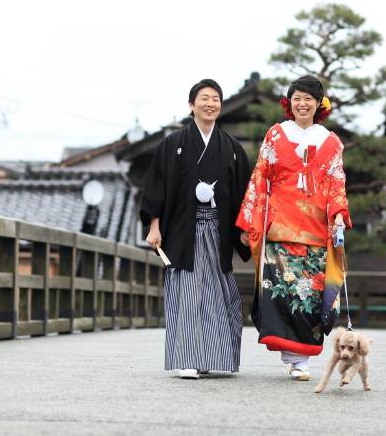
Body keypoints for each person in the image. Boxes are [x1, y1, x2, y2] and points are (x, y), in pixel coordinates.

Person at [236, 74, 352, 381]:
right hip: (279, 229)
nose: (302, 104)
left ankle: (301, 359)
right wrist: (249, 221)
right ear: (290, 103)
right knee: (283, 295)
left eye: (308, 99)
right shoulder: (275, 135)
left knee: (310, 300)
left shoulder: (331, 142)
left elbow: (337, 183)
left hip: (315, 232)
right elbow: (260, 178)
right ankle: (295, 359)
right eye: (297, 98)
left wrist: (339, 215)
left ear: (318, 104)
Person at [140, 79, 252, 379]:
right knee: (188, 291)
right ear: (191, 105)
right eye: (204, 98)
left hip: (219, 230)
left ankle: (215, 358)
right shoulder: (172, 144)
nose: (210, 104)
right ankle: (188, 358)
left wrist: (243, 229)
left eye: (216, 99)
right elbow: (156, 188)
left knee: (217, 292)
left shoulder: (230, 148)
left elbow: (244, 193)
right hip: (182, 231)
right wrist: (154, 225)